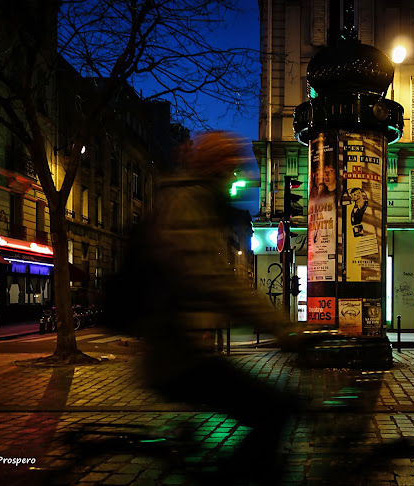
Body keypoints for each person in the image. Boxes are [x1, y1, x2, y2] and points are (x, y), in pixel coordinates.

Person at [107, 131, 298, 483]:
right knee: (274, 409)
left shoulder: (198, 200)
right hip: (175, 354)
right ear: (210, 163)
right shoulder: (189, 203)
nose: (235, 170)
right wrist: (280, 326)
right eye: (228, 162)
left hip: (182, 347)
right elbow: (209, 279)